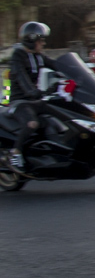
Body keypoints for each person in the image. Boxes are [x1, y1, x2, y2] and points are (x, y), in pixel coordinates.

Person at [6, 22, 58, 173]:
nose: (43, 43)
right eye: (41, 41)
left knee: (59, 115)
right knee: (31, 123)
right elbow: (21, 78)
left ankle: (54, 154)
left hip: (34, 100)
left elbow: (56, 65)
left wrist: (77, 72)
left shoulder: (38, 56)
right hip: (20, 102)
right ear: (31, 40)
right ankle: (15, 153)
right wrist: (34, 92)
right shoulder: (17, 56)